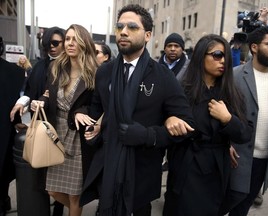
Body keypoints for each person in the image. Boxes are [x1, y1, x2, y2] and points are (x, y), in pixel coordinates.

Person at [80, 4, 196, 216]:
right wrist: (88, 124)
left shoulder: (162, 76)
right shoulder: (104, 72)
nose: (123, 32)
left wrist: (147, 135)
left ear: (148, 35)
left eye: (132, 27)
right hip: (107, 168)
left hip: (141, 173)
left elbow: (187, 126)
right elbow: (96, 110)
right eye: (120, 26)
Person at [162, 34, 253, 216]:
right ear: (201, 56)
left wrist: (228, 119)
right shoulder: (182, 89)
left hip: (217, 169)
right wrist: (168, 120)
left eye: (226, 56)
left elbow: (245, 134)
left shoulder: (231, 92)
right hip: (186, 166)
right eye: (217, 55)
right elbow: (162, 119)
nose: (223, 61)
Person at [30, 24, 98, 216]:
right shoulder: (56, 67)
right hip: (54, 133)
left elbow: (97, 104)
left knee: (75, 194)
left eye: (75, 39)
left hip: (77, 137)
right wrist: (41, 102)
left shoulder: (94, 72)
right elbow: (48, 94)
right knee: (52, 189)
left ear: (84, 42)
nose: (70, 43)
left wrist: (81, 111)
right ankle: (75, 210)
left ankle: (75, 210)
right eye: (67, 38)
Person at [221, 26, 268, 216]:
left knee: (243, 207)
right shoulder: (234, 75)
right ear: (254, 47)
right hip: (237, 157)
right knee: (226, 202)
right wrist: (226, 144)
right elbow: (219, 112)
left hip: (264, 161)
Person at [10, 26, 66, 216]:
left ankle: (58, 209)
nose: (51, 47)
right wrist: (22, 103)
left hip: (64, 126)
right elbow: (29, 91)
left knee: (61, 175)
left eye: (56, 43)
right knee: (41, 171)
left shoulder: (71, 66)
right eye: (48, 43)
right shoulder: (40, 66)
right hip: (42, 125)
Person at [0, 36, 25, 216]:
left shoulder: (14, 71)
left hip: (5, 128)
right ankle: (3, 200)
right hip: (5, 129)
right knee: (4, 169)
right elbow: (14, 101)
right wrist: (17, 123)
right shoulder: (14, 72)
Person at [158, 32, 190, 171]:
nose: (172, 49)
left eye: (176, 46)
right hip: (158, 111)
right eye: (169, 46)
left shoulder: (189, 67)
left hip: (178, 113)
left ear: (182, 49)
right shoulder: (155, 65)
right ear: (164, 48)